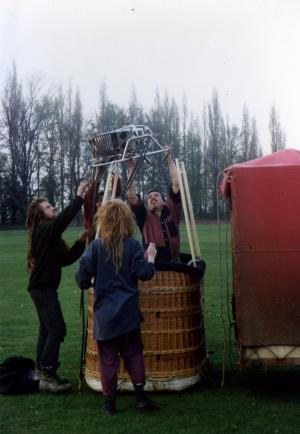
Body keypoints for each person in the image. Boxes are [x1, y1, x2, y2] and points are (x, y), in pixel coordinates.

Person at [75, 199, 157, 415]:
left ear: (104, 219)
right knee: (133, 353)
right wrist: (151, 258)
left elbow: (81, 278)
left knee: (108, 359)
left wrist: (93, 280)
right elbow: (146, 274)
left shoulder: (96, 247)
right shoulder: (133, 245)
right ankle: (140, 397)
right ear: (126, 220)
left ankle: (110, 404)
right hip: (128, 313)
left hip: (106, 316)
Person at [25, 181, 87, 393]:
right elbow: (63, 220)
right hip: (42, 290)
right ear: (40, 215)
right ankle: (48, 374)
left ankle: (41, 373)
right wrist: (79, 196)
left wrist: (80, 242)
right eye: (49, 206)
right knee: (57, 329)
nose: (54, 208)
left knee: (47, 330)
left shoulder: (49, 235)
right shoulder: (44, 229)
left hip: (43, 289)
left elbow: (66, 258)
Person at [127, 151, 181, 262]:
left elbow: (177, 182)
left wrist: (169, 160)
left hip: (174, 263)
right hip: (153, 266)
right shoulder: (144, 216)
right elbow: (131, 196)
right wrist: (132, 167)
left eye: (156, 195)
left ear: (164, 201)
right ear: (147, 204)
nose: (152, 197)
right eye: (149, 197)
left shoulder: (172, 211)